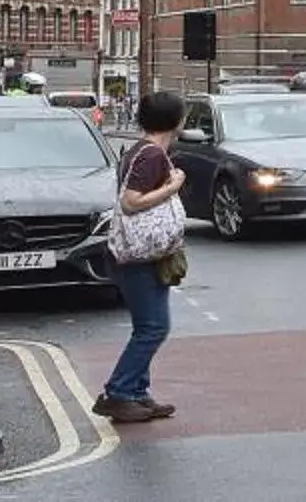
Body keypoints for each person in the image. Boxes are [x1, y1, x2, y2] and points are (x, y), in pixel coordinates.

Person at [99, 89, 188, 423]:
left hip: (140, 254)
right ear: (176, 121)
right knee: (153, 327)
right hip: (138, 256)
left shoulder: (142, 150)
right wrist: (173, 186)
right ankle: (119, 392)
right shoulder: (151, 155)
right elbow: (131, 201)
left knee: (146, 326)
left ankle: (137, 392)